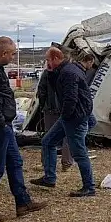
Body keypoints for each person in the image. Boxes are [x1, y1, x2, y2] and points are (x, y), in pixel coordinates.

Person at [0, 36, 46, 222]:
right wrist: (1, 120)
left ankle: (23, 202)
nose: (13, 58)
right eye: (12, 54)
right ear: (3, 53)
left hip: (3, 125)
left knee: (15, 162)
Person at [30, 47, 95, 197]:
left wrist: (66, 116)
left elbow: (71, 98)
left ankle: (89, 187)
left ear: (55, 58)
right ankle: (49, 178)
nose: (46, 63)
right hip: (73, 115)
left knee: (79, 153)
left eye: (47, 60)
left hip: (74, 117)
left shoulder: (68, 73)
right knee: (48, 141)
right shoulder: (66, 70)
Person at [36, 46, 75, 172]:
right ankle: (67, 163)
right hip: (63, 109)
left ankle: (46, 163)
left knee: (48, 137)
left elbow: (41, 91)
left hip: (50, 109)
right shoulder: (68, 72)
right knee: (67, 137)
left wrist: (43, 106)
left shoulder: (47, 74)